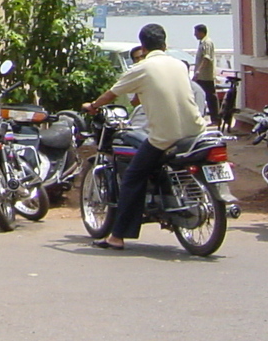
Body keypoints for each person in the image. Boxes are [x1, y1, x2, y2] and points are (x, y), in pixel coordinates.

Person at [82, 23, 206, 250]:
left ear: (143, 46)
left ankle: (117, 236)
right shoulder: (179, 64)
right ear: (165, 44)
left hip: (165, 136)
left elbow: (112, 94)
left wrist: (93, 105)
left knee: (132, 178)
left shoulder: (141, 68)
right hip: (196, 130)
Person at [192, 24, 219, 120]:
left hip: (206, 76)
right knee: (200, 96)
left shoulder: (207, 43)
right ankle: (201, 115)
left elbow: (206, 58)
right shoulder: (202, 43)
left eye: (196, 32)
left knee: (210, 97)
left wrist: (198, 71)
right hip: (201, 77)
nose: (195, 35)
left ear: (201, 32)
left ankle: (215, 118)